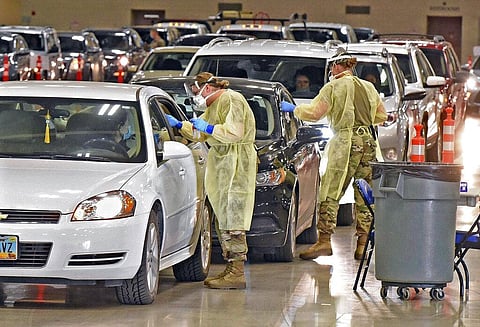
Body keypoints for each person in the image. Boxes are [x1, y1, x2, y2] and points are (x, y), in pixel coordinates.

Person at [280, 51, 387, 260]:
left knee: (330, 190)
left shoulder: (333, 87)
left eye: (331, 67)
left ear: (338, 66)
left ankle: (324, 241)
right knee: (365, 194)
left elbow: (315, 113)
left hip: (345, 144)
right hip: (368, 142)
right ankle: (363, 244)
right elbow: (381, 116)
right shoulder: (368, 87)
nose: (330, 71)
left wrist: (294, 109)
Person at [165, 72, 257, 289]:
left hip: (236, 165)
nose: (196, 95)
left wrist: (208, 128)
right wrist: (180, 125)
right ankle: (231, 268)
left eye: (196, 90)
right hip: (224, 163)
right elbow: (199, 133)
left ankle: (237, 272)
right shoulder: (215, 106)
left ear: (207, 87)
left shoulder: (232, 99)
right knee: (225, 216)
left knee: (234, 218)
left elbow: (233, 133)